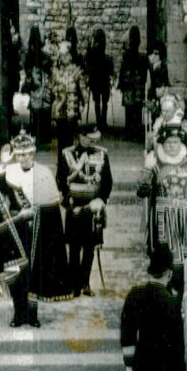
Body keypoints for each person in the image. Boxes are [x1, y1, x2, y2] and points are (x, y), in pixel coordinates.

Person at [0, 130, 72, 327]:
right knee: (16, 272)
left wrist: (34, 213)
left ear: (32, 154)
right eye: (19, 154)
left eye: (26, 154)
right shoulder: (10, 172)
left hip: (38, 228)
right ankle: (18, 313)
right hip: (16, 229)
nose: (22, 158)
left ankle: (32, 314)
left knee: (35, 273)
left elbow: (52, 204)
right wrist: (4, 164)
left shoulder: (44, 173)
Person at [137, 122, 187, 296]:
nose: (172, 146)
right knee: (166, 262)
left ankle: (184, 299)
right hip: (163, 223)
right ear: (162, 145)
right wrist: (147, 169)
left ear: (181, 144)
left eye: (175, 142)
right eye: (168, 143)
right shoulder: (156, 166)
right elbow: (141, 192)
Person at [57, 127, 113, 297]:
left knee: (90, 248)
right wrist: (68, 201)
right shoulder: (67, 154)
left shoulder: (102, 154)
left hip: (93, 207)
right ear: (81, 137)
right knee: (74, 248)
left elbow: (108, 181)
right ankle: (74, 284)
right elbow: (60, 178)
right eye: (89, 139)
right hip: (75, 206)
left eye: (95, 139)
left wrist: (101, 201)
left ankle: (85, 283)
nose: (93, 142)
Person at [120, 245, 185, 371]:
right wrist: (178, 370)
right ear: (169, 273)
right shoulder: (171, 301)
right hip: (164, 366)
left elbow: (127, 333)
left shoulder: (134, 295)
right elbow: (177, 340)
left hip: (141, 363)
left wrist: (129, 364)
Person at [50, 40, 88, 152]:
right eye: (61, 55)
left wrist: (81, 104)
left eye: (65, 55)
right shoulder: (56, 72)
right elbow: (51, 88)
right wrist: (57, 92)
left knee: (70, 143)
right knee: (61, 143)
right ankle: (61, 167)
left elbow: (84, 93)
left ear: (70, 55)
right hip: (59, 112)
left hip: (72, 112)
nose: (63, 58)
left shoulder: (76, 72)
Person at [24, 27, 52, 148]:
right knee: (44, 111)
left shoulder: (29, 55)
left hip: (36, 86)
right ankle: (44, 137)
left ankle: (35, 135)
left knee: (35, 113)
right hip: (43, 85)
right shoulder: (44, 54)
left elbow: (26, 69)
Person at [118, 25, 146, 144]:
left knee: (130, 111)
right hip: (137, 84)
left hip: (130, 84)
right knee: (137, 110)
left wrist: (121, 83)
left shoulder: (127, 55)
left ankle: (130, 132)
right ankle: (137, 132)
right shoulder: (141, 57)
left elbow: (123, 71)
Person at [84, 29, 113, 133]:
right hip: (103, 78)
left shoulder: (92, 50)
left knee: (97, 101)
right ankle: (103, 121)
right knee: (104, 102)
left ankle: (99, 122)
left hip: (96, 79)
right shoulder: (102, 49)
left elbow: (88, 62)